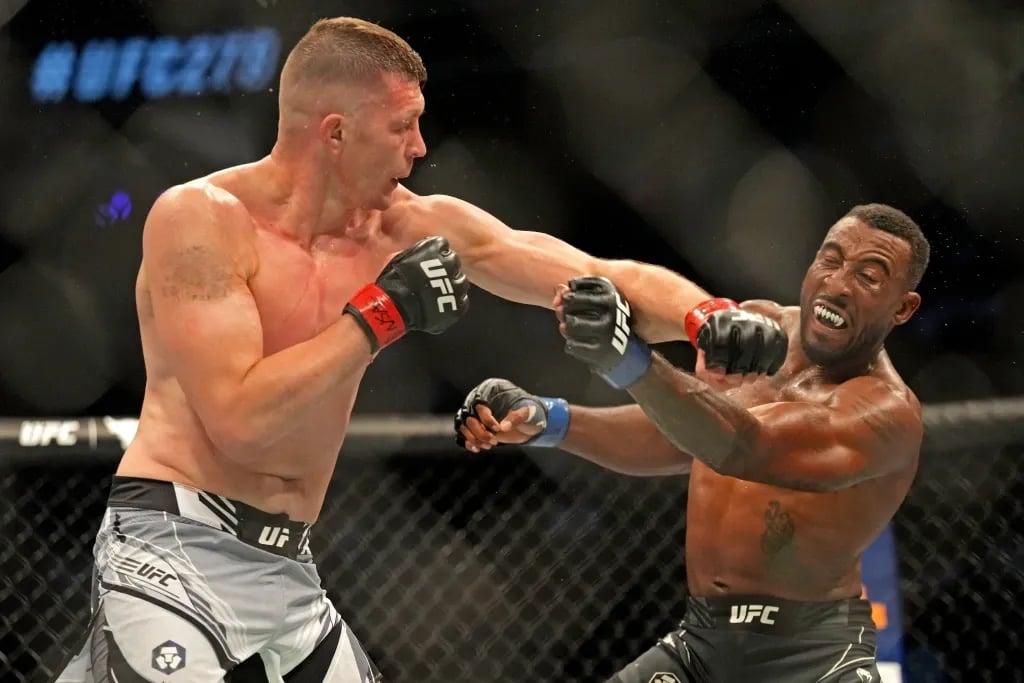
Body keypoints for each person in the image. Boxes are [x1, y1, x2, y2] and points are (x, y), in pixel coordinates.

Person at [56, 16, 788, 683]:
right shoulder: (203, 221)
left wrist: (706, 316)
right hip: (174, 538)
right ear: (335, 133)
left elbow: (595, 275)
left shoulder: (404, 225)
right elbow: (240, 419)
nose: (420, 148)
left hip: (288, 564)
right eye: (402, 127)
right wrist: (378, 315)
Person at [456, 204, 928, 682]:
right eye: (831, 260)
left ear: (903, 308)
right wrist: (549, 419)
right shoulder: (760, 330)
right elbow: (682, 435)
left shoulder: (886, 414)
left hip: (812, 658)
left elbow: (747, 447)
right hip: (700, 643)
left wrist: (627, 358)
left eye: (869, 276)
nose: (838, 285)